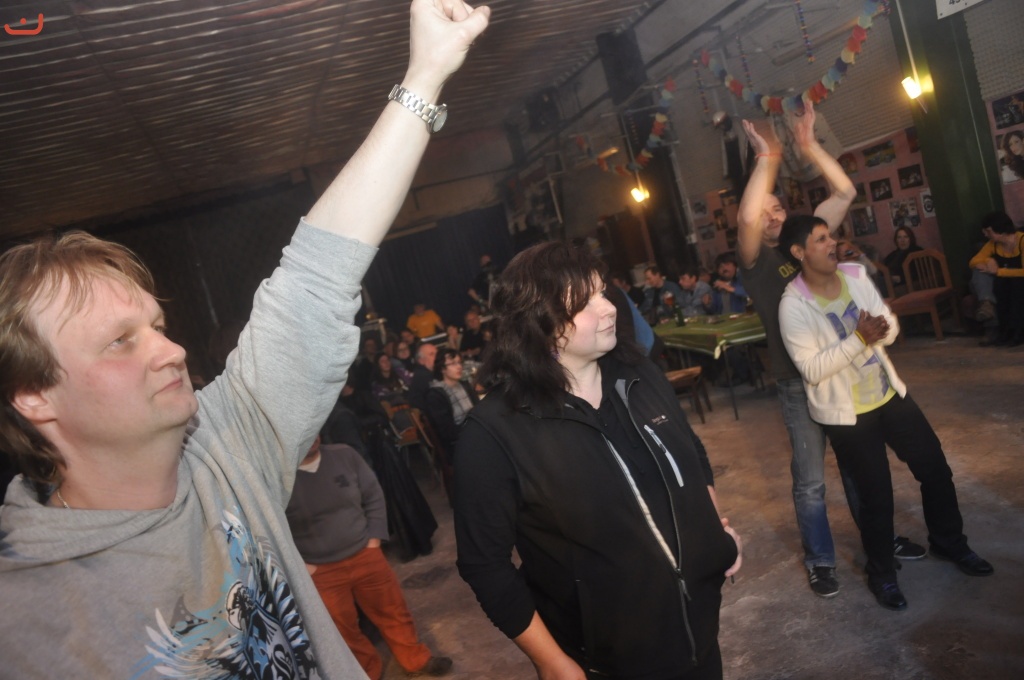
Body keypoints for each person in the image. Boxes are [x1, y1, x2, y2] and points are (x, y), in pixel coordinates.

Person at [0, 2, 491, 676]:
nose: (171, 351)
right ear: (33, 395)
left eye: (157, 327)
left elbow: (316, 275)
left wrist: (426, 73)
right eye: (120, 341)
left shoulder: (227, 443)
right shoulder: (22, 616)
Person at [454, 241, 741, 680]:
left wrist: (714, 533)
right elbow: (485, 566)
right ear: (541, 322)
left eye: (603, 292)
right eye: (585, 302)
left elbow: (692, 453)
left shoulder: (639, 374)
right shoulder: (493, 433)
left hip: (699, 633)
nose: (608, 308)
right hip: (607, 662)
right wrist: (552, 663)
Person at [736, 101, 924, 600]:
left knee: (862, 471)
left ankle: (879, 543)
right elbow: (747, 217)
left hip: (845, 375)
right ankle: (820, 559)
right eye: (765, 211)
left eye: (779, 208)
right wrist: (767, 159)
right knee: (811, 482)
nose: (772, 215)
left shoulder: (809, 242)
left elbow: (844, 192)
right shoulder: (757, 263)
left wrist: (809, 145)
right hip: (798, 384)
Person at [777, 215, 993, 610]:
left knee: (935, 469)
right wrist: (860, 339)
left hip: (888, 393)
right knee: (876, 497)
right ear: (798, 251)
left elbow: (889, 325)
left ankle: (949, 542)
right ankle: (882, 574)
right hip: (848, 415)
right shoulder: (793, 305)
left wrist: (879, 331)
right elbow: (812, 369)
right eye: (821, 239)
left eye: (830, 236)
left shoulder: (856, 276)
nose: (832, 243)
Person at [286, 438, 452, 679]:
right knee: (343, 629)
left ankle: (415, 660)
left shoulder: (344, 455)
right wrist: (302, 565)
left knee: (393, 610)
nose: (311, 437)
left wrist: (375, 538)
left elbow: (373, 495)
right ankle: (368, 672)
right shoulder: (279, 477)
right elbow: (274, 525)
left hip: (365, 554)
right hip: (321, 570)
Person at [969, 211, 1024, 346]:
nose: (985, 234)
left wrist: (998, 271)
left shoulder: (1021, 241)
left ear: (1000, 230)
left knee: (1016, 286)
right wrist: (988, 260)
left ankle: (1017, 332)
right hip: (1007, 279)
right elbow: (973, 261)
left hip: (1019, 278)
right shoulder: (993, 244)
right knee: (987, 277)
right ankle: (988, 305)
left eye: (988, 231)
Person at [424, 348, 478, 457]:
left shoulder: (465, 385)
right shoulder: (436, 395)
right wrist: (474, 429)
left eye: (459, 362)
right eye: (453, 364)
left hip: (475, 434)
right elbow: (447, 432)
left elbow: (479, 409)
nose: (459, 367)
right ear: (442, 369)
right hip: (458, 445)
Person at [407, 342, 439, 411]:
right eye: (431, 354)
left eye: (437, 353)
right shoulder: (423, 377)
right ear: (421, 360)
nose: (437, 357)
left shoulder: (432, 373)